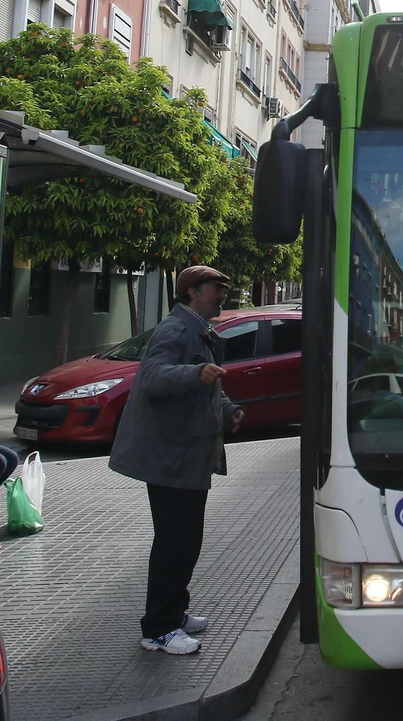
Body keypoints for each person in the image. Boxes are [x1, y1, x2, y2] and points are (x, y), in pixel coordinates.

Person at [109, 266, 244, 655]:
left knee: (186, 541)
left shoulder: (198, 330)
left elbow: (207, 385)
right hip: (171, 459)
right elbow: (151, 378)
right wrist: (194, 374)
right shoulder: (176, 330)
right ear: (191, 293)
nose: (223, 295)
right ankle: (158, 629)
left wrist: (229, 408)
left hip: (187, 456)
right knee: (174, 543)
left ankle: (176, 611)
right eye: (216, 289)